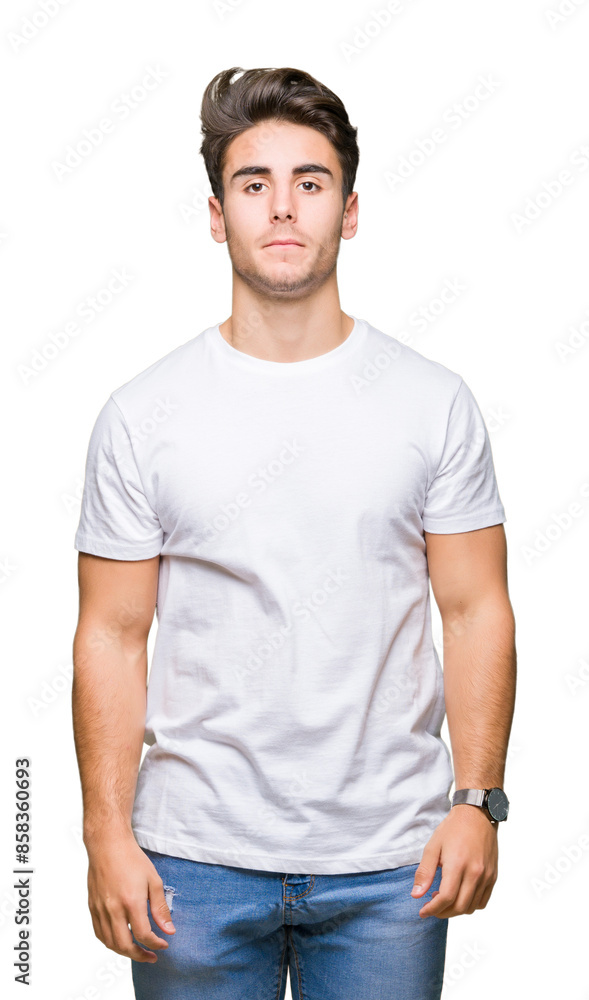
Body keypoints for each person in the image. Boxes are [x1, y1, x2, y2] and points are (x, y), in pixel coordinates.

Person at [72, 65, 516, 1000]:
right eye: (253, 183)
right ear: (215, 213)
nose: (282, 208)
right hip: (190, 858)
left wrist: (477, 802)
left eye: (309, 183)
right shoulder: (142, 413)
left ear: (348, 212)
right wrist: (105, 835)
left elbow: (475, 609)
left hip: (391, 864)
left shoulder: (430, 402)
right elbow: (110, 634)